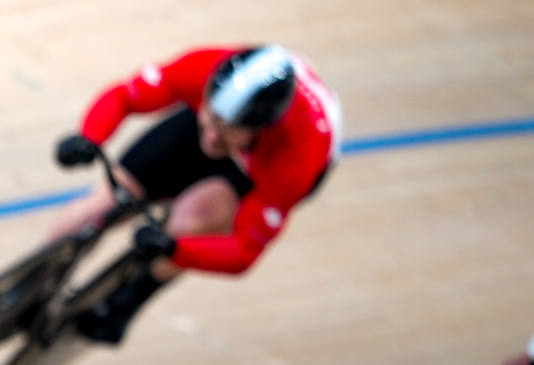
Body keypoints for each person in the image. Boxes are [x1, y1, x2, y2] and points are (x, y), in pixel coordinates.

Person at [43, 45, 341, 344]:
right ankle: (36, 279)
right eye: (211, 119)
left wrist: (174, 247)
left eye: (225, 131)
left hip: (259, 168)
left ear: (261, 128)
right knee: (104, 204)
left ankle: (129, 302)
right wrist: (89, 136)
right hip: (217, 128)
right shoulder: (200, 69)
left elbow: (243, 252)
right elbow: (124, 96)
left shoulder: (292, 162)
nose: (211, 137)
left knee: (191, 220)